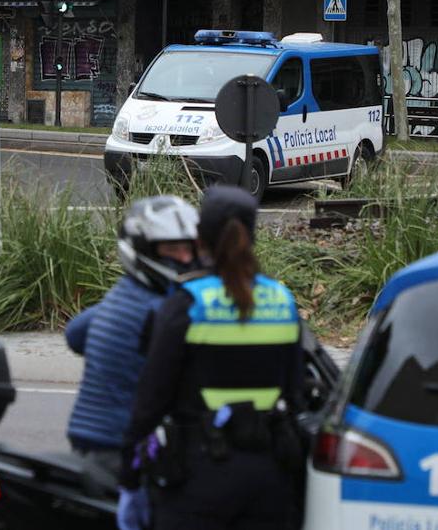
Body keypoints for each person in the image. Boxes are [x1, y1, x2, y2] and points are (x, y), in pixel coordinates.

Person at [119, 185, 304, 530]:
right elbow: (296, 393)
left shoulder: (187, 305)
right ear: (252, 237)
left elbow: (149, 404)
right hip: (268, 479)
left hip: (198, 477)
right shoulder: (282, 301)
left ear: (200, 240)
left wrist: (129, 479)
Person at [65, 195, 200, 475]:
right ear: (143, 250)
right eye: (173, 249)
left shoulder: (125, 294)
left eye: (189, 248)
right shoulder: (161, 310)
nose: (185, 259)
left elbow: (74, 334)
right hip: (123, 446)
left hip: (87, 437)